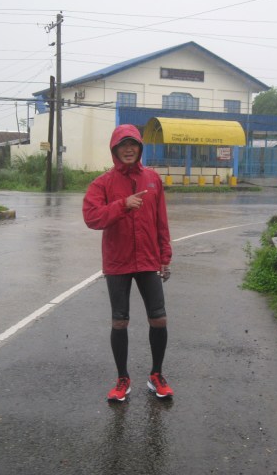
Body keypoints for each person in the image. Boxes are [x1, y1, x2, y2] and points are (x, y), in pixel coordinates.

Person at [83, 124, 174, 402]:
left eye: (133, 144)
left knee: (158, 318)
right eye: (122, 145)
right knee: (120, 321)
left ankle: (156, 375)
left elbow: (161, 221)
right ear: (114, 150)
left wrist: (165, 257)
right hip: (118, 261)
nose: (128, 149)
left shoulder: (152, 179)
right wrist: (122, 205)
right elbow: (91, 217)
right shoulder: (103, 183)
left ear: (140, 148)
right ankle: (122, 378)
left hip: (148, 260)